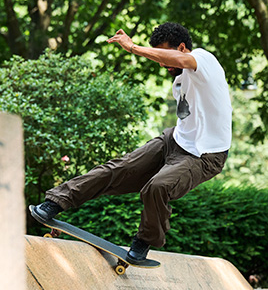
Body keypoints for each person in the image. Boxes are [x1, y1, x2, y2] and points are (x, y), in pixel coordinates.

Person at [29, 22, 232, 264]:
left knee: (157, 187)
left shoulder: (203, 59)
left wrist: (133, 47)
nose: (162, 64)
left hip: (204, 156)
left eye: (165, 56)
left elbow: (183, 61)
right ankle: (55, 202)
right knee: (119, 168)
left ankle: (144, 241)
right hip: (175, 140)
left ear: (181, 48)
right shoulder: (178, 81)